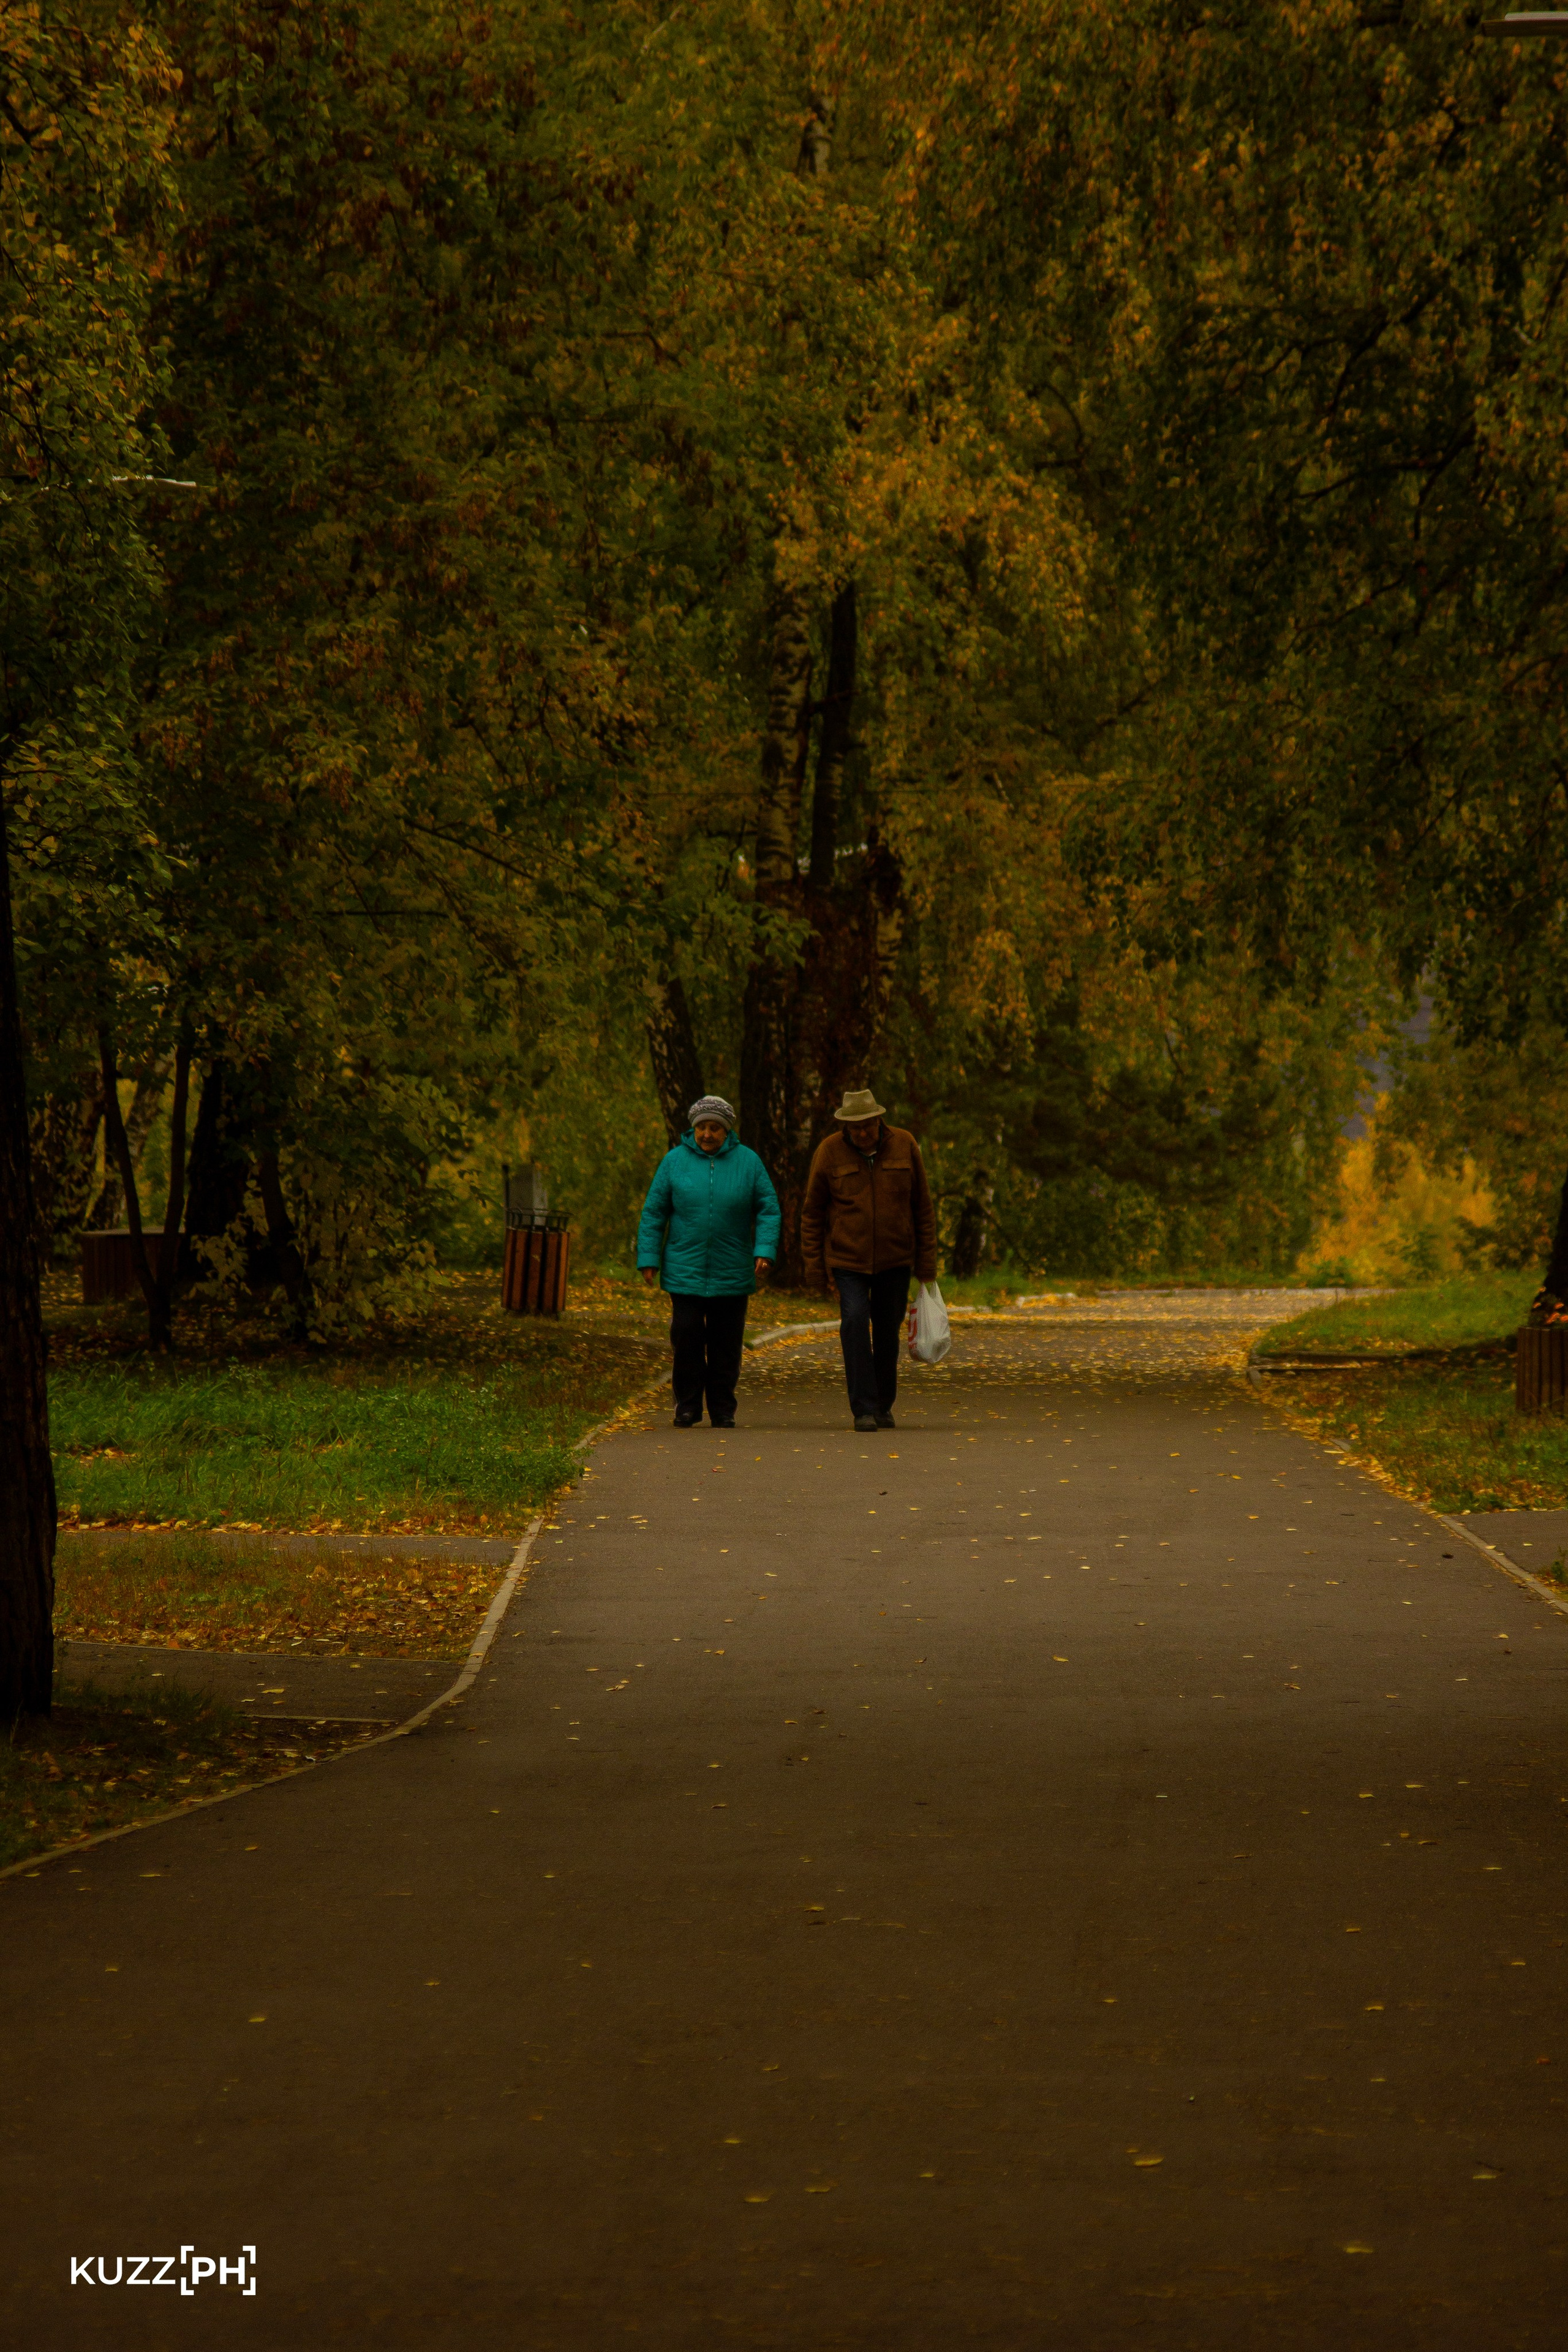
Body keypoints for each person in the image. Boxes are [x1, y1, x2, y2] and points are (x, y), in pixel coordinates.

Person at [637, 1095, 782, 1428]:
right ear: (693, 1129)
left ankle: (722, 1408)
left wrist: (764, 1250)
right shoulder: (674, 1162)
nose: (707, 1135)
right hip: (684, 1268)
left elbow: (768, 1209)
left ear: (727, 1131)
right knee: (687, 1335)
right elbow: (654, 1212)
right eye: (702, 1127)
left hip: (733, 1269)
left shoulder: (749, 1163)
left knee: (726, 1342)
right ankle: (687, 1406)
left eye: (715, 1128)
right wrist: (649, 1258)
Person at [800, 1087, 938, 1434]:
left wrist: (926, 1264)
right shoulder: (829, 1151)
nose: (862, 1133)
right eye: (855, 1127)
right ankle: (863, 1408)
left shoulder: (905, 1144)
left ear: (879, 1120)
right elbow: (812, 1213)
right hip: (848, 1260)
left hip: (896, 1258)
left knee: (888, 1332)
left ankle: (883, 1405)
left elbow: (922, 1207)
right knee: (855, 1322)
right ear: (845, 1126)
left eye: (867, 1126)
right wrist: (815, 1268)